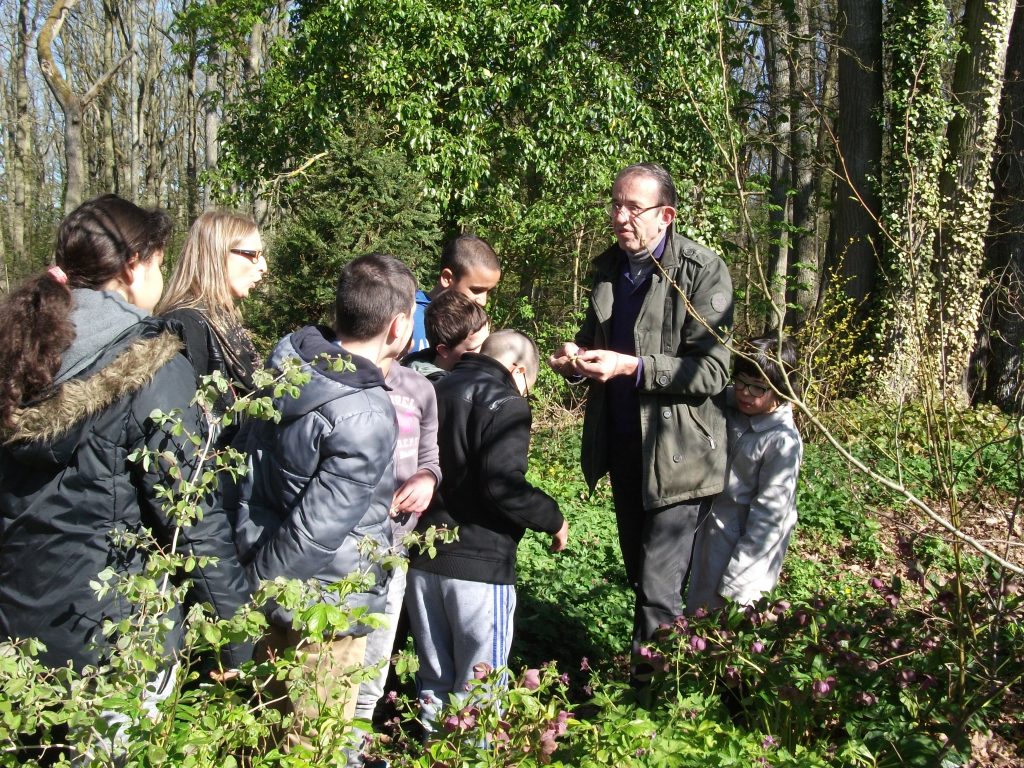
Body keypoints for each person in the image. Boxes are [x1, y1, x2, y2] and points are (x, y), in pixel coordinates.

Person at [0, 194, 252, 675]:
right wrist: (238, 641)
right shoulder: (150, 366)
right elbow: (191, 521)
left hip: (17, 638)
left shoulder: (20, 350)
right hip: (116, 643)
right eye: (160, 263)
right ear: (134, 266)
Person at [231, 252, 416, 750]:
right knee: (310, 747)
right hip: (323, 613)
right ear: (398, 327)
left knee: (259, 741)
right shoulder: (366, 412)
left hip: (260, 572)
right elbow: (314, 530)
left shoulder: (288, 359)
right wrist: (250, 598)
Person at [549, 163, 733, 658]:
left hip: (679, 457)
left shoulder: (701, 271)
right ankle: (678, 665)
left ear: (665, 215)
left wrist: (632, 367)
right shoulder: (608, 269)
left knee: (657, 590)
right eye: (615, 204)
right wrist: (574, 359)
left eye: (634, 207)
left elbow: (712, 372)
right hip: (624, 448)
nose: (620, 216)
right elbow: (597, 344)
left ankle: (647, 704)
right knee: (642, 574)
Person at [406, 330, 569, 728]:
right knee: (480, 690)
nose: (528, 392)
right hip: (480, 566)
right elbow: (502, 487)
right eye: (530, 383)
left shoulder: (434, 388)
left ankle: (432, 753)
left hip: (424, 557)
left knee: (434, 681)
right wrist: (554, 519)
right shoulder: (507, 403)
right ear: (517, 371)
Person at [353, 355, 441, 729]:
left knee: (373, 666)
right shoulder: (335, 378)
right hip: (344, 552)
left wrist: (427, 477)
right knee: (333, 663)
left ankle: (354, 747)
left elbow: (430, 457)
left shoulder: (419, 388)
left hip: (396, 548)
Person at [686, 337, 803, 612]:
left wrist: (741, 581)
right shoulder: (726, 404)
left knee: (720, 625)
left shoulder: (782, 441)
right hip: (703, 528)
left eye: (758, 387)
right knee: (691, 617)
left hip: (738, 547)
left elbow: (770, 519)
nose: (745, 393)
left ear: (781, 389)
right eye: (740, 381)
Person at [157, 210, 267, 442]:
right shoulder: (187, 324)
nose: (263, 266)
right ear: (216, 255)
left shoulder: (222, 321)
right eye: (253, 255)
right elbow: (190, 428)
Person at [408, 235, 500, 354]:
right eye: (476, 290)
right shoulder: (408, 314)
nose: (483, 301)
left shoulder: (476, 328)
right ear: (447, 278)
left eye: (489, 291)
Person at [404, 289, 490, 381]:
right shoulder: (426, 386)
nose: (485, 351)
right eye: (473, 348)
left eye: (487, 342)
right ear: (443, 350)